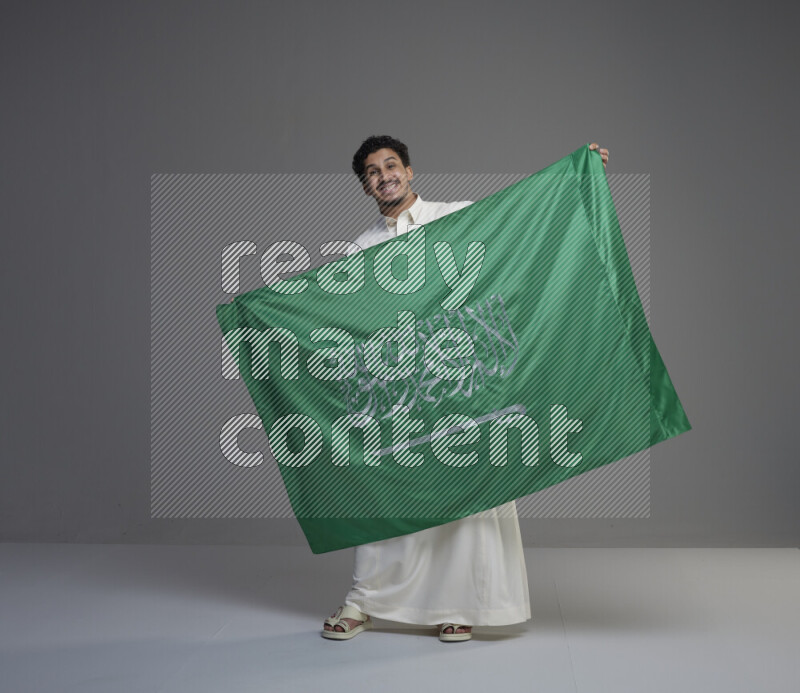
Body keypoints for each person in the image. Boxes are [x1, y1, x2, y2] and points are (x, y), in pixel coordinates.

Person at [321, 135, 609, 642]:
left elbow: (525, 220)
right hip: (402, 389)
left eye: (391, 165)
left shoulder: (456, 216)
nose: (384, 175)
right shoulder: (361, 249)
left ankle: (460, 605)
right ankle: (364, 601)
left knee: (468, 493)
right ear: (365, 186)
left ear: (410, 171)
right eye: (372, 171)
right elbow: (345, 317)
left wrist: (577, 177)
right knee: (387, 488)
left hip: (463, 380)